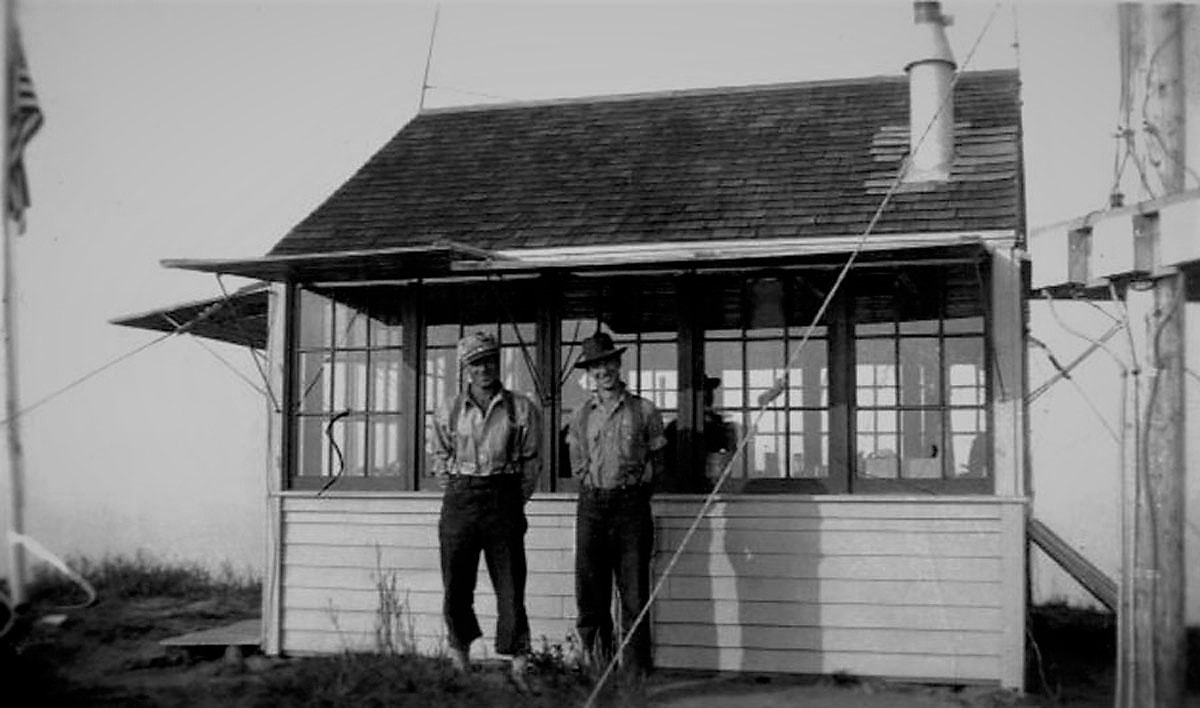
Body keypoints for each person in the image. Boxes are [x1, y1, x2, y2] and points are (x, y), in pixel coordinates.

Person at [430, 331, 541, 690]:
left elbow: (531, 464)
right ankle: (460, 658)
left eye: (490, 360)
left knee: (510, 585)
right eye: (476, 363)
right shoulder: (448, 408)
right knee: (456, 584)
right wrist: (460, 488)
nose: (484, 369)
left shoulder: (521, 407)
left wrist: (509, 500)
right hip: (460, 498)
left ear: (499, 362)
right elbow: (439, 457)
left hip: (503, 497)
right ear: (465, 367)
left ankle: (520, 664)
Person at [566, 331, 666, 678]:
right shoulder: (580, 415)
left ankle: (635, 678)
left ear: (618, 363)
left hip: (631, 508)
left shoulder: (645, 410)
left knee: (635, 595)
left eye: (608, 362)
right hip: (592, 506)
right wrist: (596, 485)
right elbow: (577, 462)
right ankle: (598, 672)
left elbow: (658, 463)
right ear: (590, 373)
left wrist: (633, 489)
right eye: (596, 366)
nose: (603, 370)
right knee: (591, 592)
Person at [661, 376, 735, 493]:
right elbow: (667, 462)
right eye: (703, 392)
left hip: (714, 485)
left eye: (708, 391)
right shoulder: (675, 427)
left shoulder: (718, 425)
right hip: (682, 487)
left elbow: (725, 456)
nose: (707, 396)